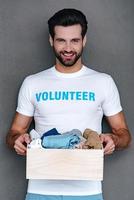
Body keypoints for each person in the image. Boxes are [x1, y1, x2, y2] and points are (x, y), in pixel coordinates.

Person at [6, 8, 131, 200]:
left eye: (74, 40)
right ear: (51, 40)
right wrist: (17, 140)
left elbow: (124, 134)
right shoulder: (32, 83)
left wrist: (114, 140)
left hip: (88, 192)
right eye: (61, 40)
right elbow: (14, 132)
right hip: (40, 191)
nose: (68, 48)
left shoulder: (103, 82)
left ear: (84, 40)